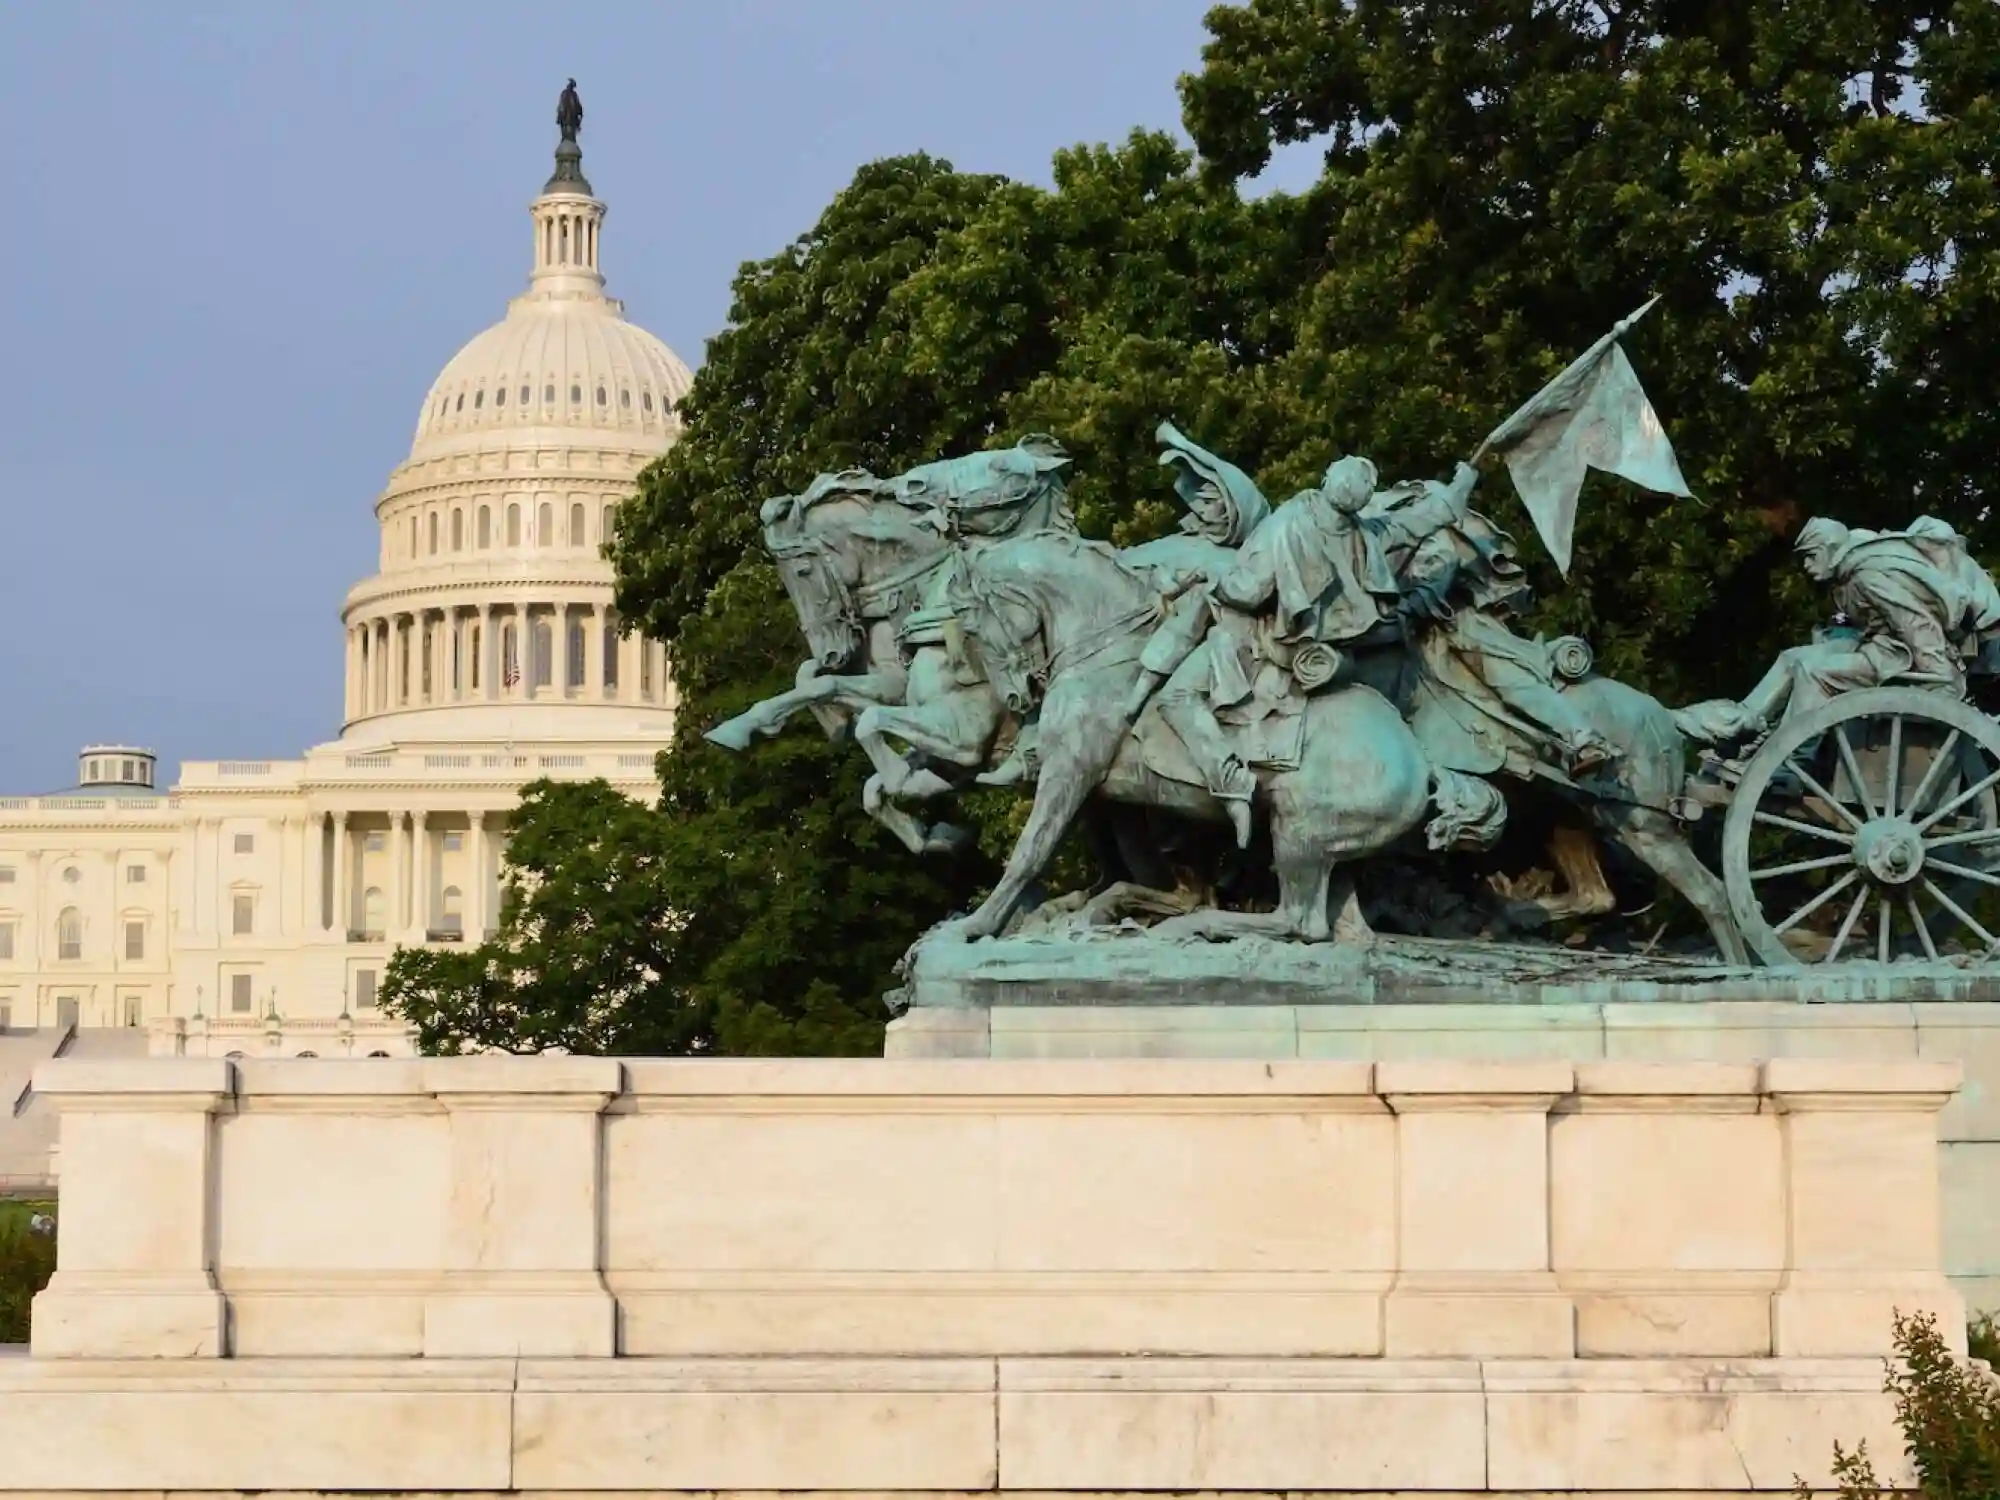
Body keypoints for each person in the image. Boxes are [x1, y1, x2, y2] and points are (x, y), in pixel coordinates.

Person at [1680, 516, 1969, 749]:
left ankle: (1793, 755)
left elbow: (1916, 622)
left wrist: (1939, 679)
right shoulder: (1848, 576)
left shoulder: (1868, 574)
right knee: (1793, 657)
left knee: (1813, 671)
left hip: (1898, 659)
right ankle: (1744, 720)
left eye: (1810, 556)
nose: (1805, 566)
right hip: (1877, 648)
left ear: (1829, 550)